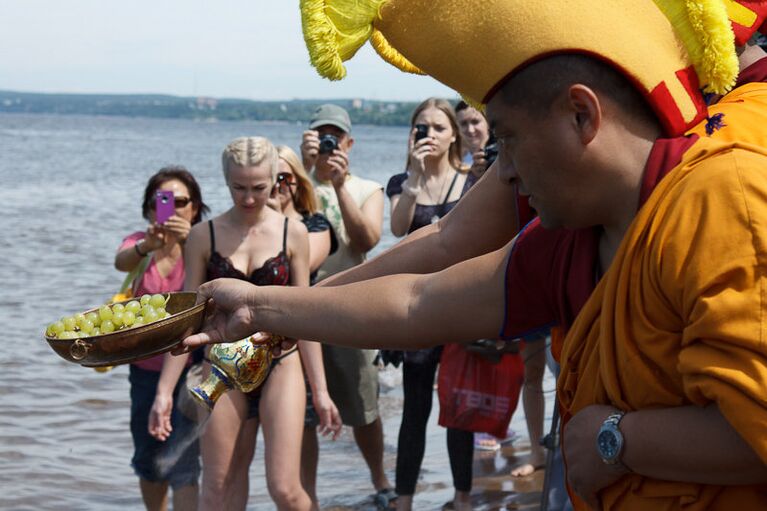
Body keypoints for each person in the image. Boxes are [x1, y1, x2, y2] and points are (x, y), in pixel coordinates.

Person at [180, 1, 767, 511]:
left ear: (582, 115)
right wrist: (260, 307)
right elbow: (419, 300)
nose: (503, 171)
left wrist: (617, 438)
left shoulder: (720, 197)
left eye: (507, 139)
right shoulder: (569, 236)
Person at [149, 137, 341, 511]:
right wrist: (163, 392)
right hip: (220, 367)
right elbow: (186, 321)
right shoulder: (204, 235)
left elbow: (308, 318)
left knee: (284, 488)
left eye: (258, 187)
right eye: (239, 188)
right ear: (226, 181)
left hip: (280, 366)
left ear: (275, 180)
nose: (249, 198)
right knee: (218, 489)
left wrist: (320, 391)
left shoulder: (293, 233)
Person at [299, 104, 393, 506]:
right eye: (319, 135)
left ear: (349, 143)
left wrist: (337, 185)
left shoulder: (367, 189)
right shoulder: (293, 184)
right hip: (301, 303)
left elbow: (367, 240)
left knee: (363, 404)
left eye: (334, 136)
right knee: (303, 412)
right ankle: (308, 496)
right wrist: (302, 173)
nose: (326, 143)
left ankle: (379, 479)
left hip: (349, 303)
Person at [385, 98, 476, 511]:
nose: (431, 135)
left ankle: (461, 495)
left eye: (439, 128)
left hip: (458, 307)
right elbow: (399, 228)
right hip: (416, 308)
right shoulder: (403, 182)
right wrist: (415, 179)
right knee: (415, 408)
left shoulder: (471, 180)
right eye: (422, 128)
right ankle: (404, 500)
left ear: (454, 133)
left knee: (459, 408)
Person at [114, 165, 208, 511]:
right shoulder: (140, 243)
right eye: (162, 200)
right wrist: (146, 247)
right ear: (150, 207)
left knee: (184, 461)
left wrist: (189, 241)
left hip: (191, 366)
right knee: (149, 459)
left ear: (195, 207)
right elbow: (120, 262)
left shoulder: (203, 243)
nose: (170, 208)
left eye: (180, 201)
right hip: (143, 370)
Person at [273, 145, 337, 284]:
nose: (276, 185)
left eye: (284, 178)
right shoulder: (246, 222)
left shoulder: (317, 225)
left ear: (298, 181)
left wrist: (276, 218)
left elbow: (294, 269)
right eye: (270, 178)